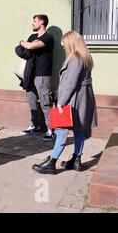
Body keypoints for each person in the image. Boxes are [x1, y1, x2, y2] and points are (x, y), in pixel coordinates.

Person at [32, 31, 98, 175]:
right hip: (82, 100)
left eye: (64, 43)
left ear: (71, 43)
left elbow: (70, 83)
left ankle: (51, 162)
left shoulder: (75, 58)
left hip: (72, 100)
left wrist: (61, 102)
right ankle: (76, 160)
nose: (64, 47)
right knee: (79, 130)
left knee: (61, 130)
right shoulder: (85, 57)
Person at [17, 14, 55, 141]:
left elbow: (31, 46)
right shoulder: (32, 37)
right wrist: (22, 45)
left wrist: (21, 42)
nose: (32, 23)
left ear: (42, 22)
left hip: (42, 74)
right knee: (31, 100)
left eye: (35, 21)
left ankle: (51, 129)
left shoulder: (48, 37)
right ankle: (35, 125)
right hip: (30, 74)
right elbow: (24, 52)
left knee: (45, 102)